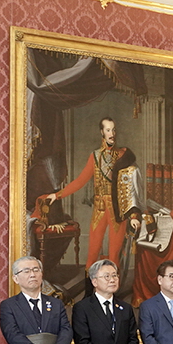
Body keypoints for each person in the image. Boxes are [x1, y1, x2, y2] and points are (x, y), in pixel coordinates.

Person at [38, 116, 142, 270]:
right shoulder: (95, 156)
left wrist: (134, 215)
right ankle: (89, 290)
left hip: (118, 211)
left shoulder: (124, 156)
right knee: (92, 253)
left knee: (115, 255)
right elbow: (80, 181)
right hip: (99, 208)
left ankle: (113, 291)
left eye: (113, 129)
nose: (112, 133)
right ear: (102, 132)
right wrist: (57, 195)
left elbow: (132, 188)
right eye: (108, 130)